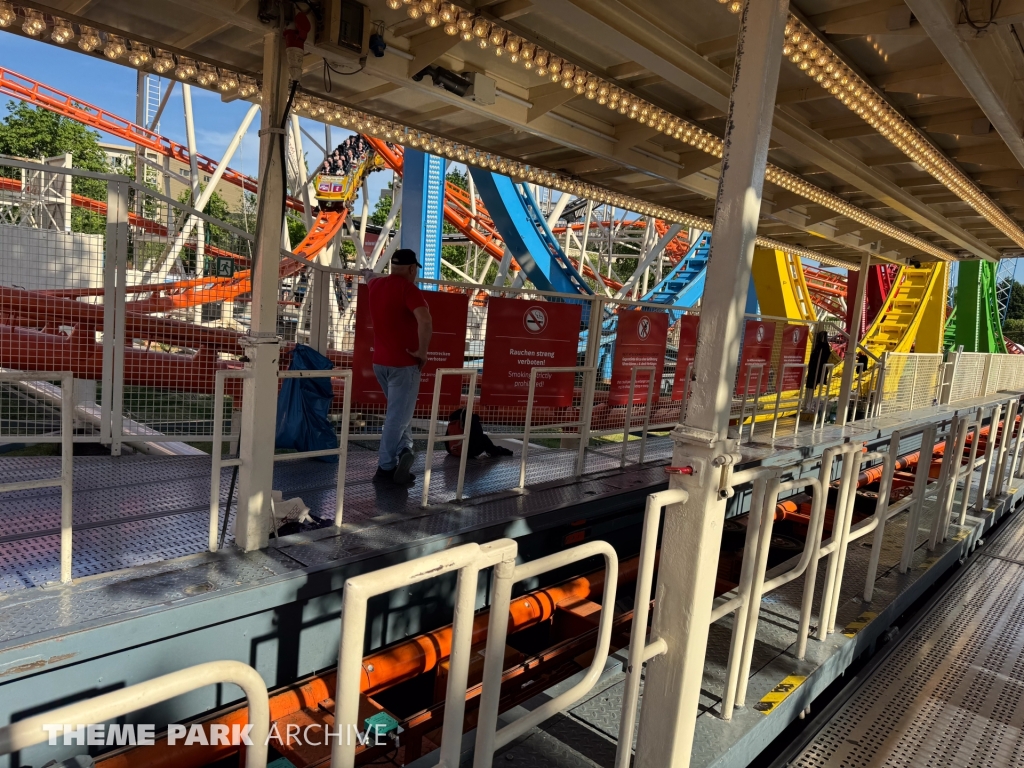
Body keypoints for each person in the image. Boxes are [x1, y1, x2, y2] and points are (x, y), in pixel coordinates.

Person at [366, 249, 432, 484]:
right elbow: (425, 320)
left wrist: (367, 272)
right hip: (403, 365)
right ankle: (385, 469)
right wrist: (422, 352)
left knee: (399, 414)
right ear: (413, 269)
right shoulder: (408, 289)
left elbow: (369, 276)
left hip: (380, 363)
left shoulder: (375, 286)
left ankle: (405, 450)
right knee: (397, 418)